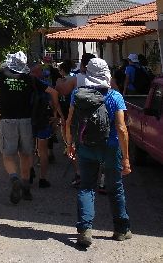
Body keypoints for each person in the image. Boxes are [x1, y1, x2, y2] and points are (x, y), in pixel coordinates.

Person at [64, 58, 131, 247]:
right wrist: (126, 157)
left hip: (86, 146)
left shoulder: (77, 94)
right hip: (111, 148)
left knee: (86, 187)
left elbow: (69, 122)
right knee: (115, 188)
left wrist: (70, 144)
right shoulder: (115, 96)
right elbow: (121, 128)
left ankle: (85, 230)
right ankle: (121, 229)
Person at [0, 51, 63, 204]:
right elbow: (53, 92)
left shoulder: (2, 73)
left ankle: (14, 179)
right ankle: (26, 187)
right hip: (27, 120)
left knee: (8, 155)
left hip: (8, 119)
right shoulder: (30, 78)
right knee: (26, 154)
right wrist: (55, 112)